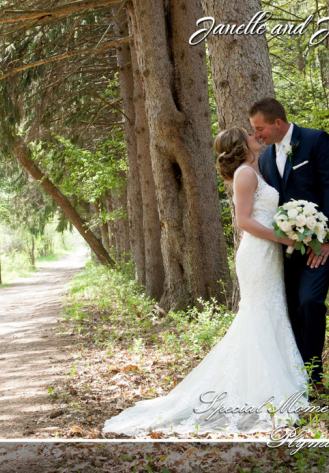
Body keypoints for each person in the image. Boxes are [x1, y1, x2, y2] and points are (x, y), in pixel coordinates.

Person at [103, 126, 308, 436]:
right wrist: (283, 238)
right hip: (258, 254)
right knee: (260, 314)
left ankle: (273, 383)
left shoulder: (257, 170)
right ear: (242, 145)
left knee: (272, 312)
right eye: (252, 135)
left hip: (268, 253)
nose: (258, 136)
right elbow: (243, 221)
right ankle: (263, 391)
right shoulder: (245, 174)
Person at [250, 97, 329, 394]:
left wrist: (327, 239)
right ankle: (296, 377)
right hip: (286, 247)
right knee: (290, 307)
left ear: (277, 123)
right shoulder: (266, 158)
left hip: (321, 244)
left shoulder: (316, 140)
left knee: (310, 302)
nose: (256, 135)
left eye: (260, 128)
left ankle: (315, 376)